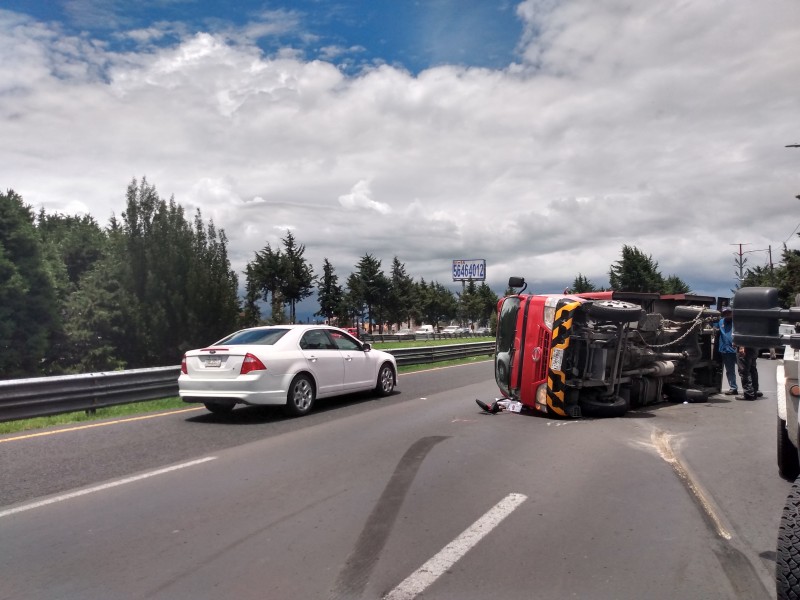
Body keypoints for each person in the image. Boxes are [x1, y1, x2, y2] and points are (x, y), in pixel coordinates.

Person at [715, 306, 738, 395]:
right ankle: (733, 388)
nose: (727, 315)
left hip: (737, 350)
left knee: (743, 370)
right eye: (725, 313)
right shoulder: (720, 322)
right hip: (725, 350)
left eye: (729, 313)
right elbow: (712, 327)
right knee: (730, 370)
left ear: (732, 313)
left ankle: (751, 388)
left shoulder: (737, 322)